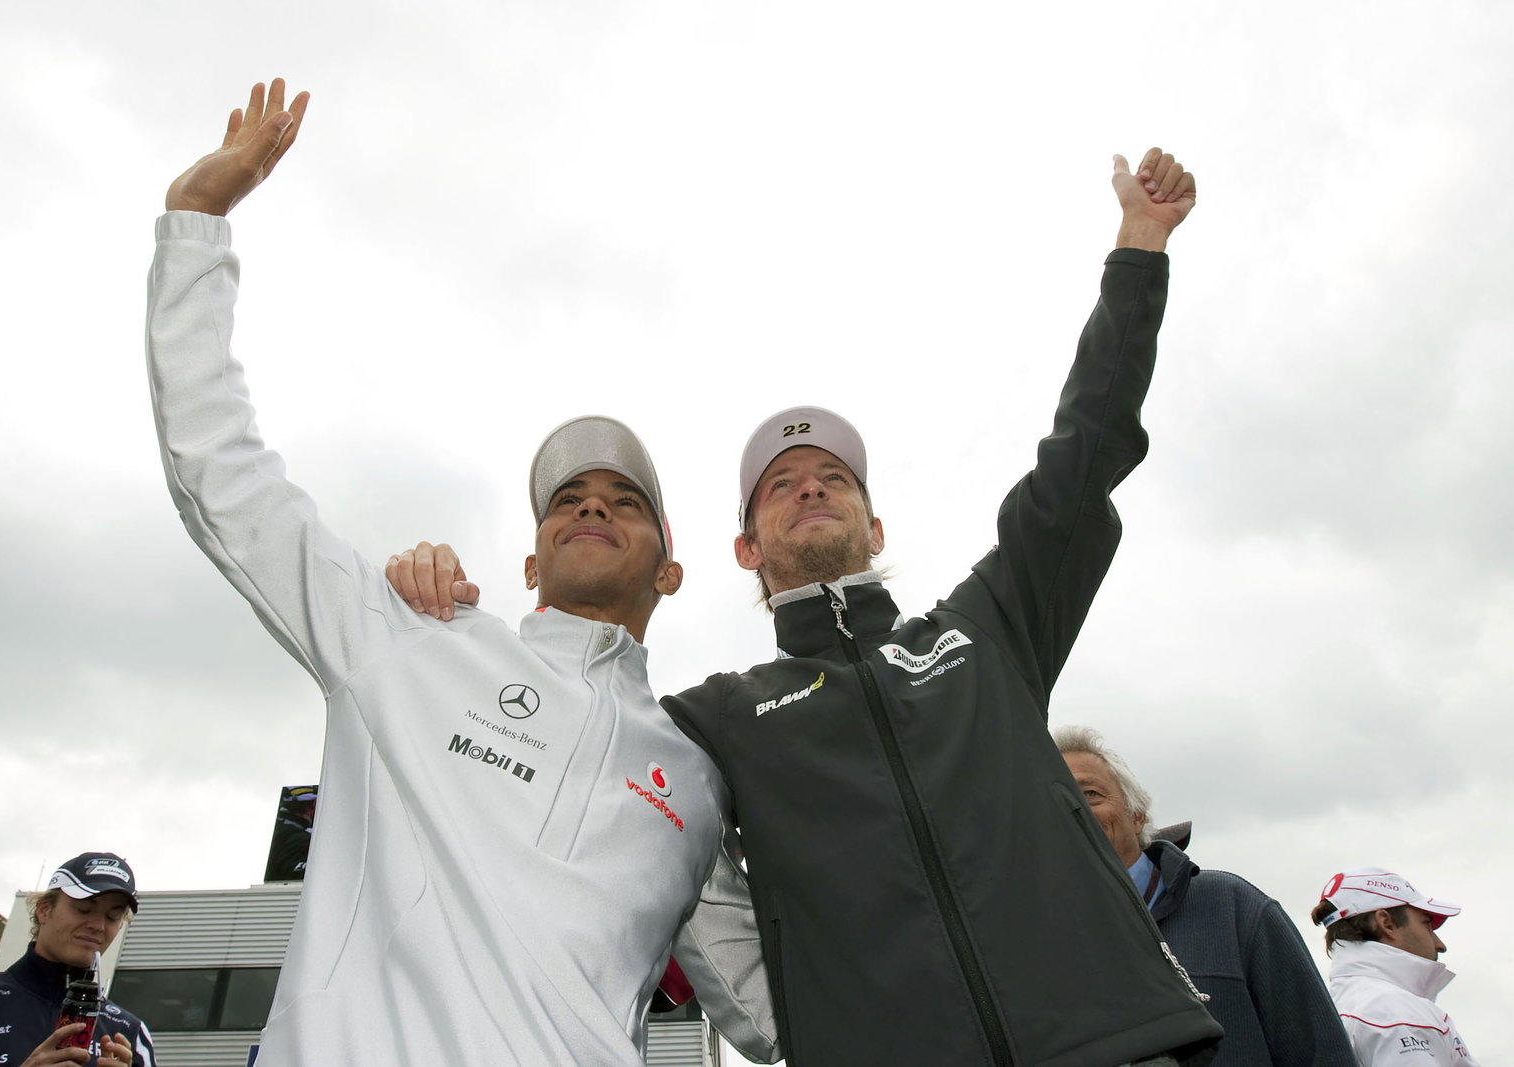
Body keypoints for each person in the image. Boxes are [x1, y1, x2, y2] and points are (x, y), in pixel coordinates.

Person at [390, 147, 1224, 1064]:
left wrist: (1139, 248)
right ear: (746, 547)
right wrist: (435, 618)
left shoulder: (985, 626)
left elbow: (1082, 457)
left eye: (834, 476)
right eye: (780, 483)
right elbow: (626, 824)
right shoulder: (718, 716)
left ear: (874, 521)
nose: (811, 487)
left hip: (1115, 1047)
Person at [145, 80, 773, 1065]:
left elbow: (783, 1013)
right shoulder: (408, 636)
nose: (592, 504)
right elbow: (223, 480)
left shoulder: (694, 774)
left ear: (671, 569)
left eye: (625, 497)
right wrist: (196, 224)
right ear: (529, 559)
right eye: (567, 497)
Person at [1055, 726, 1357, 1066]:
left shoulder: (1232, 908)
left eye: (1090, 794)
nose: (1072, 809)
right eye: (1052, 800)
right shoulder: (1028, 943)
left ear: (1136, 816)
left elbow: (1323, 1055)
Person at [0, 852, 154, 1067]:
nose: (98, 925)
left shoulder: (130, 1033)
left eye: (113, 916)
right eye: (84, 909)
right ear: (43, 910)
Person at [1312, 867, 1480, 1065]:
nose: (1440, 945)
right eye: (1426, 924)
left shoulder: (1330, 1010)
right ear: (1386, 922)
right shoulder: (1394, 1011)